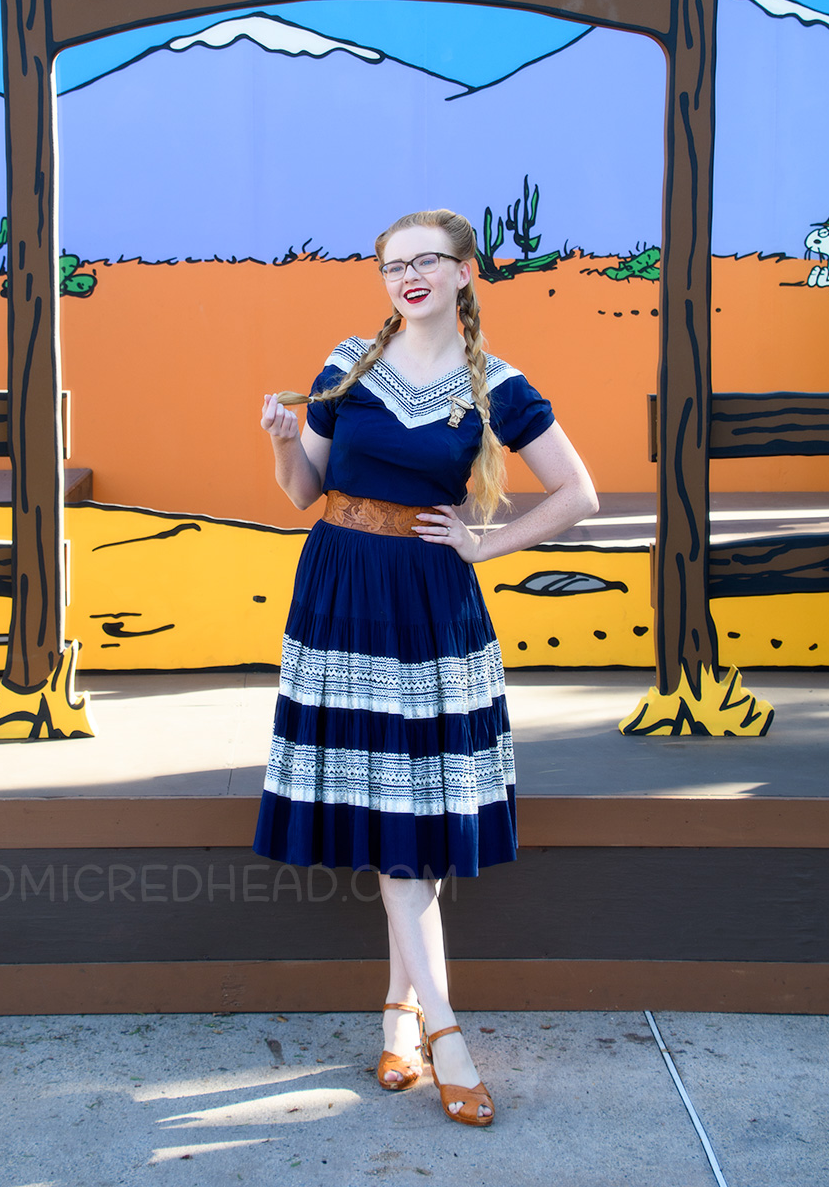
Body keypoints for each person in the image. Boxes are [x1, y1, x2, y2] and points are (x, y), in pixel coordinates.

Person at [253, 208, 598, 1127]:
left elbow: (578, 489)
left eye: (425, 261)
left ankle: (415, 1021)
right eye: (390, 264)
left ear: (462, 273)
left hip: (431, 604)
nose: (406, 276)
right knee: (394, 817)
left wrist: (493, 544)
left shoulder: (498, 384)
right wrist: (285, 437)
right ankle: (428, 1024)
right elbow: (303, 495)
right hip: (337, 593)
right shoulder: (348, 364)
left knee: (413, 817)